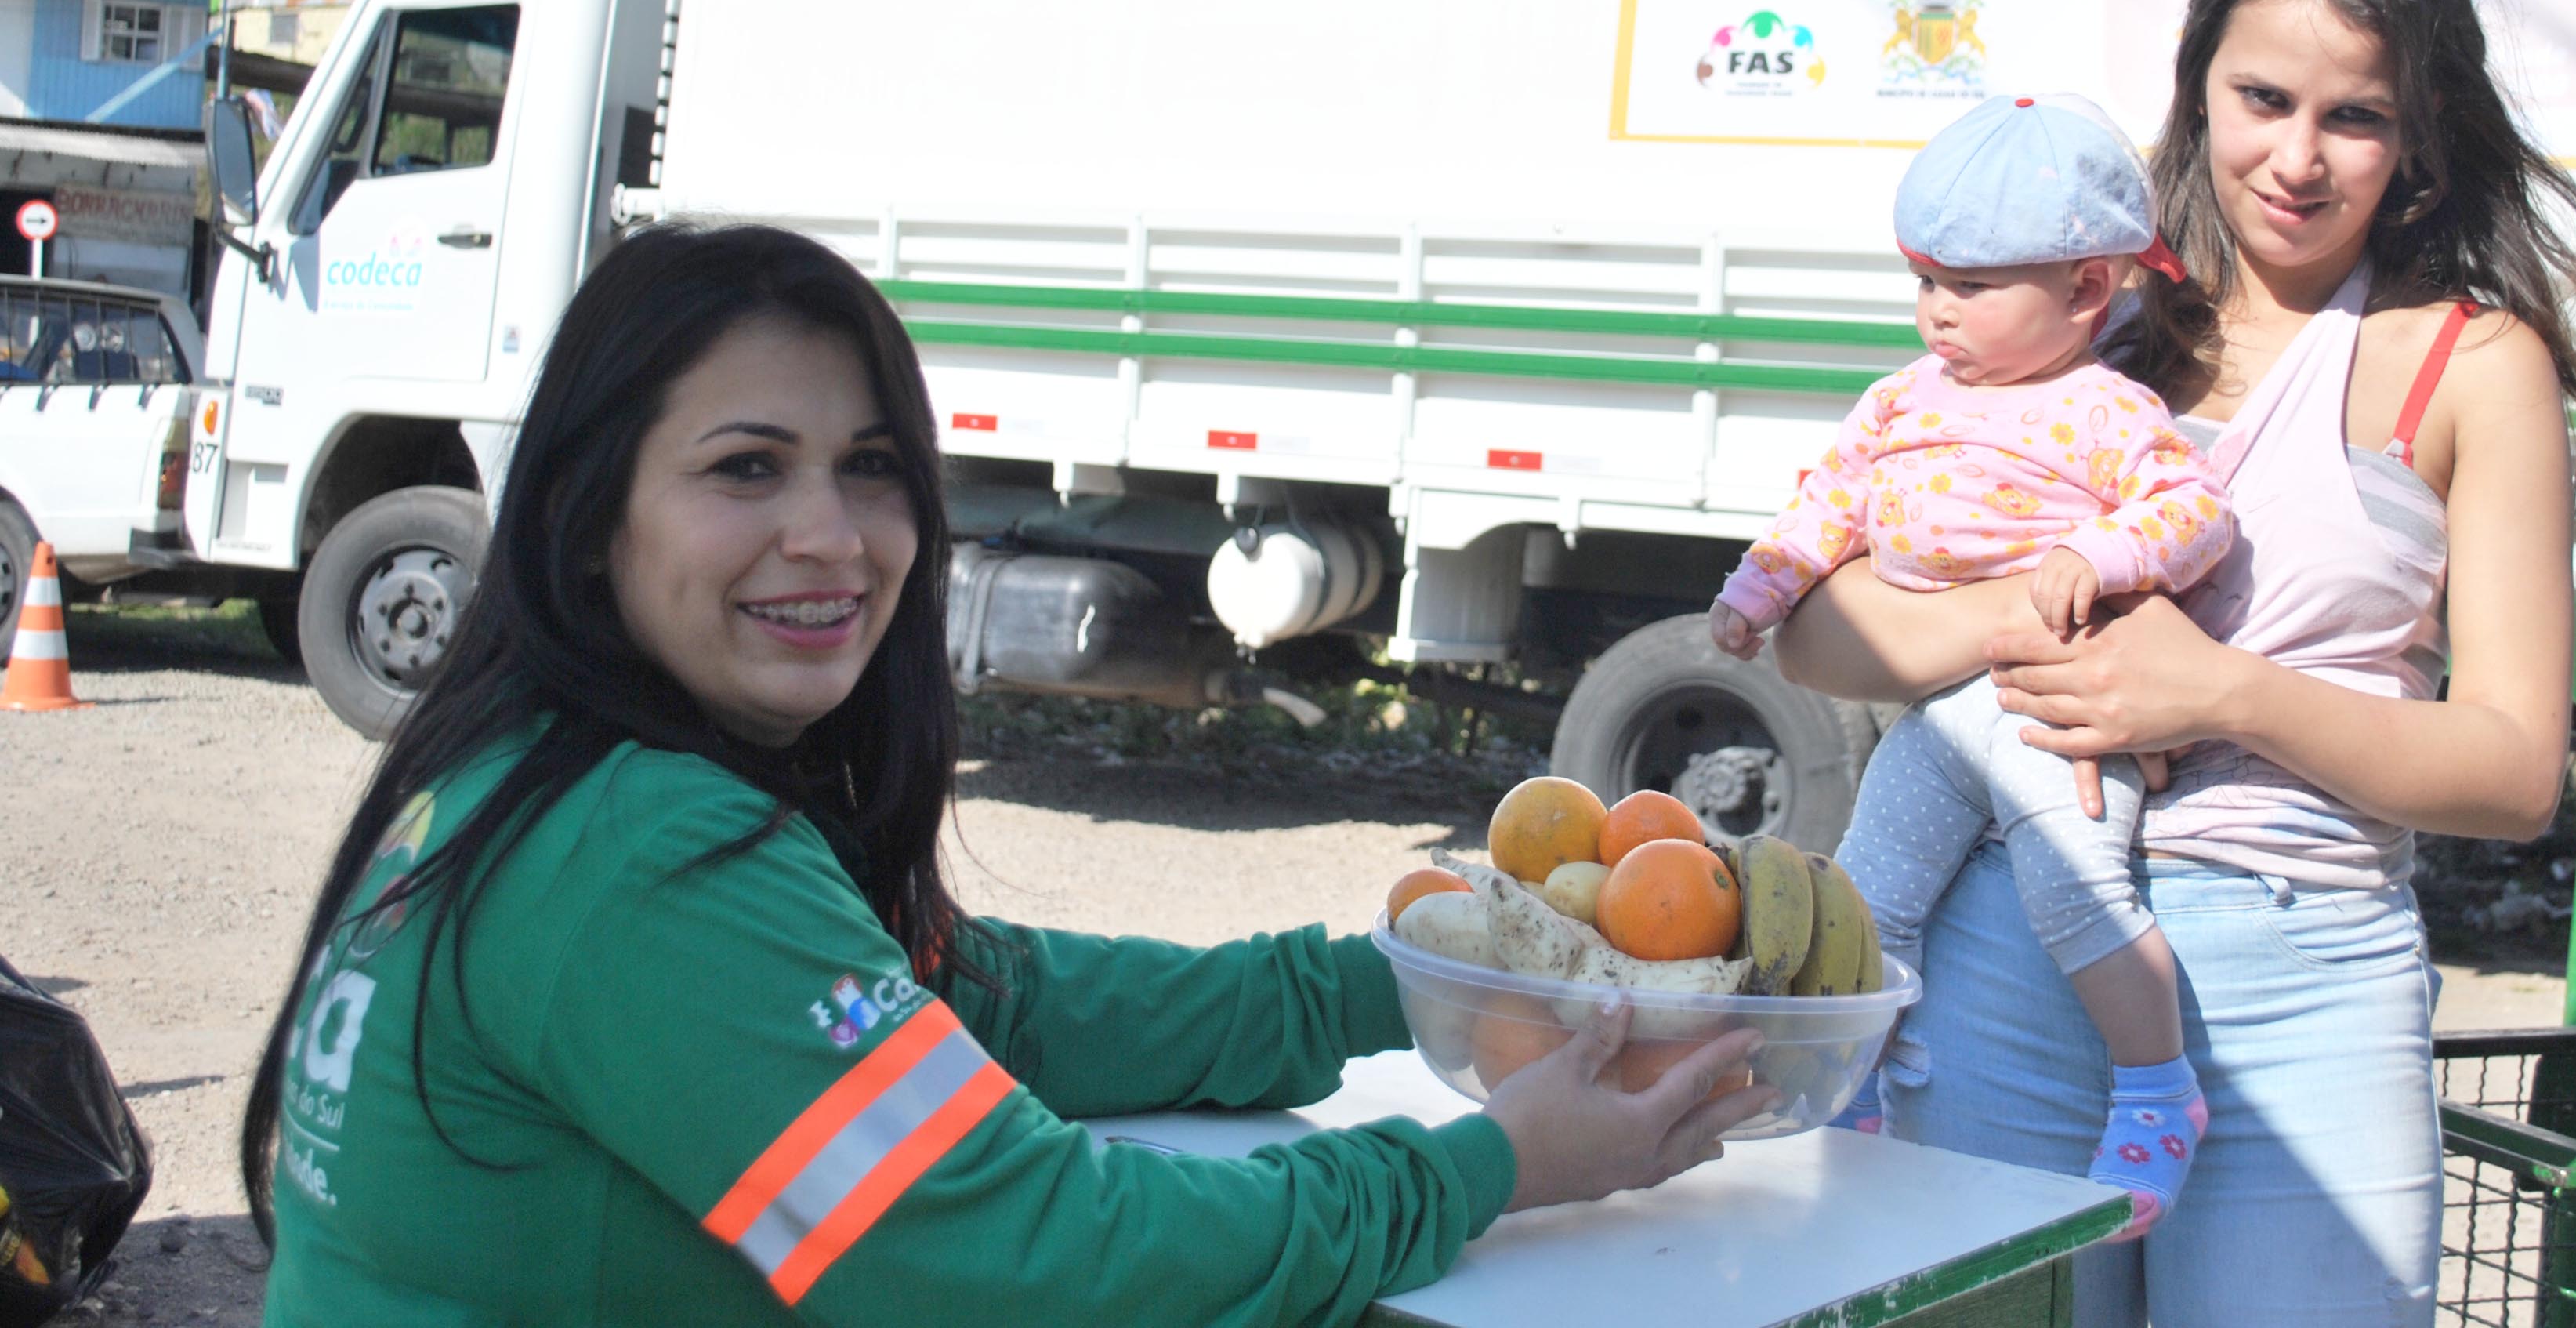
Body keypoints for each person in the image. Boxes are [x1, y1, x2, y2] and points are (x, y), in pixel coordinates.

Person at [242, 223, 1766, 1326]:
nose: (833, 534)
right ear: (589, 519)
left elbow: (994, 1003)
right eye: (744, 467)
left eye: (872, 465)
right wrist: (1490, 1167)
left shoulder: (529, 774)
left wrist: (1408, 973)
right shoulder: (641, 852)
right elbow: (1029, 1256)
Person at [1770, 0, 2576, 1326]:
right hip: (2005, 956)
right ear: (2197, 82)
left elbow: (2514, 768)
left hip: (2302, 989)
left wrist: (2219, 694)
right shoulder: (2082, 317)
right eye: (2262, 99)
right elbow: (1822, 632)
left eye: (2356, 117)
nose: (2298, 159)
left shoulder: (2475, 365)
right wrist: (2015, 622)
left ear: (2419, 132)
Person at [1706, 93, 2234, 1233]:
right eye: (1927, 280)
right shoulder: (1897, 400)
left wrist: (2102, 552)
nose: (1938, 310)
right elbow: (1829, 506)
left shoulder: (2105, 410)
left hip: (2048, 708)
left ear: (2086, 291)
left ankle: (2158, 1090)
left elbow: (2196, 514)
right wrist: (1762, 586)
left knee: (2077, 894)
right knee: (1868, 900)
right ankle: (1856, 1087)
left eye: (1973, 286)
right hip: (1940, 716)